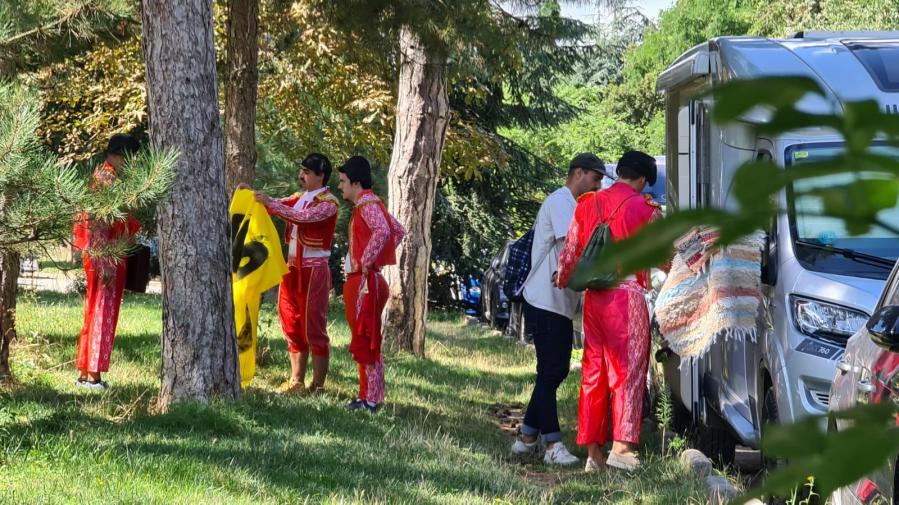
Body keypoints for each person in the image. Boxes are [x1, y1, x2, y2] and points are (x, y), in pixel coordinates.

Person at [556, 150, 662, 472]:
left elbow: (570, 254)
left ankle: (593, 454)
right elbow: (667, 257)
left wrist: (563, 280)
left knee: (593, 373)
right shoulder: (646, 209)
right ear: (642, 180)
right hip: (626, 298)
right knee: (628, 372)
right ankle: (622, 448)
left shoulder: (588, 204)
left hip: (594, 301)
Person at [511, 153, 605, 466]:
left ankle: (526, 437)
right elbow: (576, 246)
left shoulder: (570, 203)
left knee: (555, 370)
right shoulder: (562, 201)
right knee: (551, 370)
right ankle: (552, 444)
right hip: (545, 299)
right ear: (579, 173)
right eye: (595, 178)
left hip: (555, 302)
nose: (597, 185)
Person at [249, 153, 339, 395]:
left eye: (307, 172)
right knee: (291, 322)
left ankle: (318, 386)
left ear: (320, 176)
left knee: (314, 326)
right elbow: (276, 205)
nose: (302, 176)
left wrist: (271, 203)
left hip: (314, 270)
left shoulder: (329, 203)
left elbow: (303, 218)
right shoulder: (300, 197)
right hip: (292, 267)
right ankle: (296, 380)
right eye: (302, 171)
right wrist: (251, 195)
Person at [72, 134, 142, 389]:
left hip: (101, 256)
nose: (133, 165)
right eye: (132, 158)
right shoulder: (107, 181)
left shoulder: (102, 178)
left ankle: (85, 371)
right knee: (103, 312)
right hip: (106, 257)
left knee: (93, 310)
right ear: (120, 155)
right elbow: (97, 227)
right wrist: (107, 263)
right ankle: (94, 376)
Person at [336, 156, 405, 412]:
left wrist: (367, 260)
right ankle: (366, 395)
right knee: (365, 340)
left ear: (356, 183)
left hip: (365, 283)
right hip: (366, 281)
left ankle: (372, 399)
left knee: (369, 341)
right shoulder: (370, 204)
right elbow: (397, 231)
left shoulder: (367, 204)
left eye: (343, 181)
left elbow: (386, 232)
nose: (340, 186)